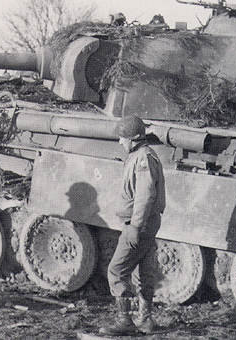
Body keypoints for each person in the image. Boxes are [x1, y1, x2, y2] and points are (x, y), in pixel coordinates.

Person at [99, 115, 166, 336]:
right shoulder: (141, 155)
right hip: (147, 223)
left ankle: (125, 321)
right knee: (144, 273)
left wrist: (135, 227)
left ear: (134, 139)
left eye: (123, 138)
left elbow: (145, 196)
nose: (120, 142)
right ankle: (145, 320)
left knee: (116, 271)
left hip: (140, 225)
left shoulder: (143, 159)